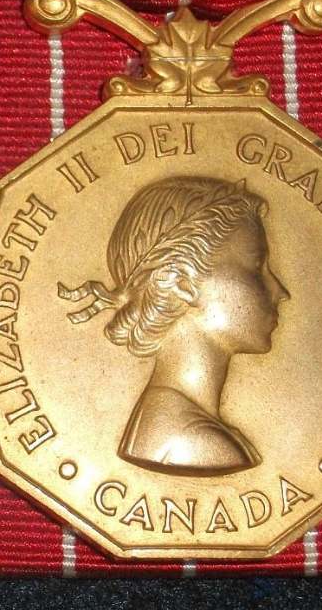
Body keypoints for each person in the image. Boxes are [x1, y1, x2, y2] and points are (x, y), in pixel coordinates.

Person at [59, 176, 288, 476]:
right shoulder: (196, 442)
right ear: (181, 282)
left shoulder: (176, 422)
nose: (280, 292)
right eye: (257, 267)